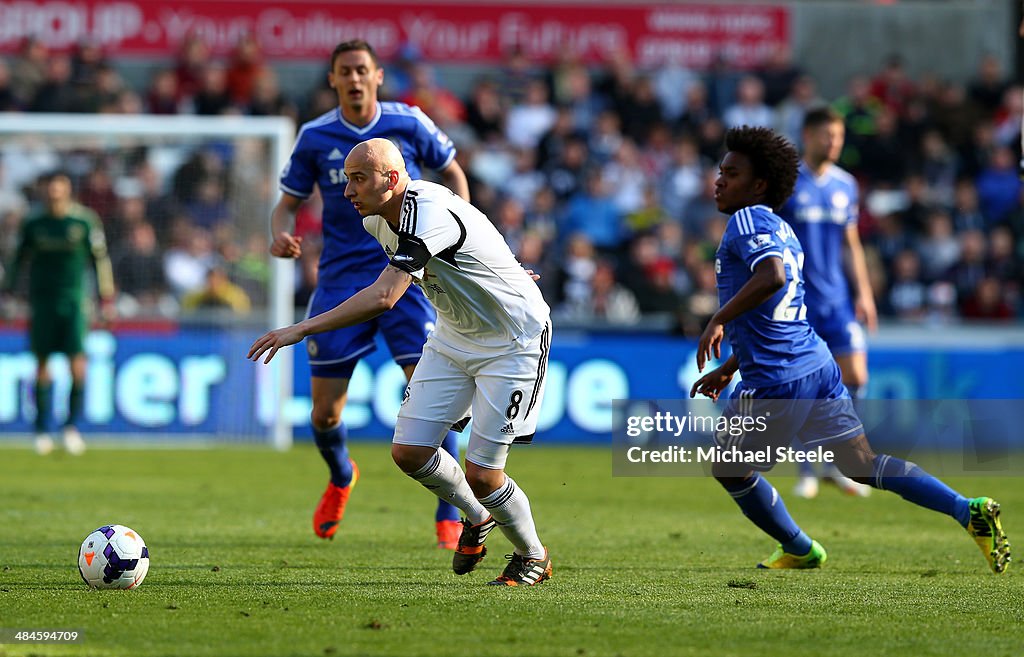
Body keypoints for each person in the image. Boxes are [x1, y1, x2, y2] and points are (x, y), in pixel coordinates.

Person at [689, 126, 1009, 574]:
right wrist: (731, 366)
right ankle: (965, 509)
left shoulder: (745, 220)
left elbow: (772, 278)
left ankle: (800, 547)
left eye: (731, 173)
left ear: (758, 185)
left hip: (778, 378)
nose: (719, 180)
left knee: (728, 467)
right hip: (815, 363)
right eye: (720, 171)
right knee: (861, 463)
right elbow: (775, 309)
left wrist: (717, 318)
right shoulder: (784, 228)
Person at [251, 138, 553, 586]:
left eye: (358, 179)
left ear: (392, 179)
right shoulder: (378, 220)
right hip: (454, 335)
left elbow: (385, 296)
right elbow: (469, 235)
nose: (347, 190)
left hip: (513, 340)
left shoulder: (425, 211)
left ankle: (533, 556)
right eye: (347, 179)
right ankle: (475, 518)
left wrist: (301, 328)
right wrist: (503, 267)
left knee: (485, 473)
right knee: (409, 452)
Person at [270, 40, 471, 548]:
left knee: (435, 400)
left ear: (378, 75)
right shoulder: (315, 136)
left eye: (362, 70)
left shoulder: (410, 122)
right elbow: (286, 204)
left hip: (409, 276)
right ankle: (341, 475)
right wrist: (279, 231)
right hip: (340, 279)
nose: (355, 78)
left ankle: (449, 511)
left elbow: (452, 173)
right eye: (345, 72)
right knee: (325, 413)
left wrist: (455, 231)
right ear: (334, 80)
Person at [777, 107, 875, 499]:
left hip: (837, 300)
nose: (834, 142)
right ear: (808, 135)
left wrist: (864, 292)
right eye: (826, 135)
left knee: (855, 377)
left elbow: (851, 243)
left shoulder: (845, 185)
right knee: (804, 385)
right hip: (798, 300)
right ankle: (807, 470)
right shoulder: (788, 183)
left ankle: (839, 463)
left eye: (839, 136)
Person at [2, 171, 114, 455]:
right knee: (41, 366)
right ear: (45, 191)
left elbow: (99, 260)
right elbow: (18, 260)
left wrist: (106, 298)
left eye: (59, 188)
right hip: (41, 303)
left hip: (75, 302)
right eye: (50, 188)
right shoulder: (34, 222)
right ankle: (41, 429)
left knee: (77, 365)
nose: (54, 193)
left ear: (67, 190)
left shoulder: (84, 221)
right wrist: (8, 292)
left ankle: (70, 428)